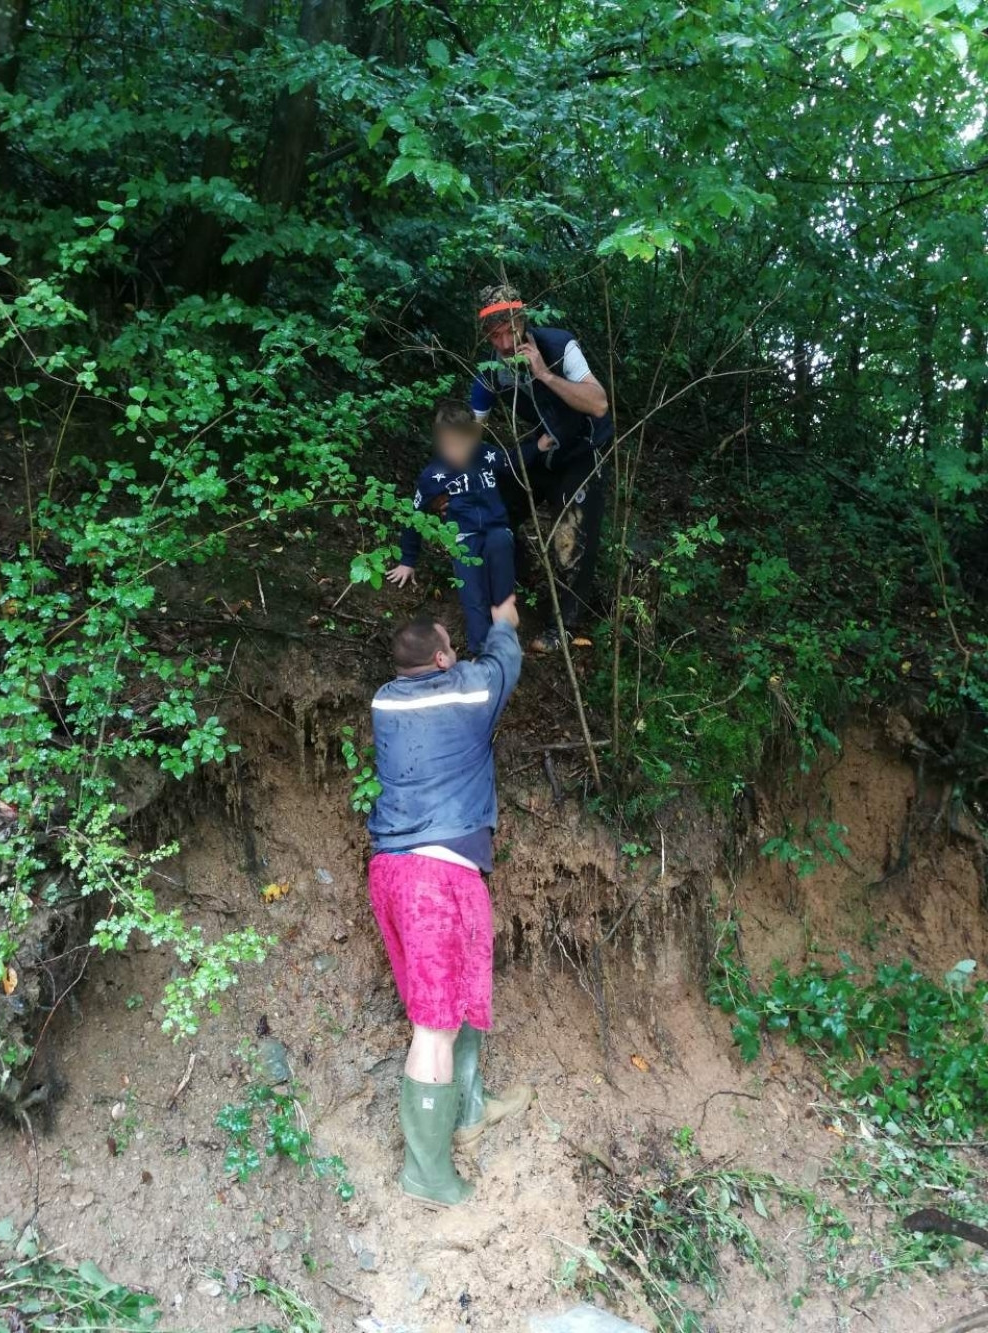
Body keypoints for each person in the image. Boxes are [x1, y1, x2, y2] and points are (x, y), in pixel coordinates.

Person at [366, 600, 532, 1207]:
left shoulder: (386, 700)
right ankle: (427, 1175)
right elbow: (503, 661)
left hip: (397, 872)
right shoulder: (463, 691)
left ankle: (468, 1108)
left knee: (454, 999)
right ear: (440, 659)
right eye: (450, 649)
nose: (457, 655)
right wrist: (505, 618)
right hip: (435, 880)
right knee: (433, 1027)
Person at [471, 283, 613, 653]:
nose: (503, 344)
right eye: (494, 334)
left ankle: (563, 627)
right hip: (540, 449)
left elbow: (598, 404)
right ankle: (507, 583)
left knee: (571, 536)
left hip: (581, 449)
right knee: (493, 501)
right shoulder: (491, 369)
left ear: (522, 321)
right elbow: (472, 430)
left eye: (509, 331)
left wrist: (545, 374)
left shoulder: (558, 345)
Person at [387, 400, 551, 654]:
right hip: (463, 540)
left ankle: (505, 622)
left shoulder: (484, 455)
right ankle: (482, 652)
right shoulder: (434, 475)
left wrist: (537, 447)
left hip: (496, 531)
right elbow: (415, 516)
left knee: (501, 545)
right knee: (473, 596)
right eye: (450, 445)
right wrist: (408, 560)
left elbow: (509, 461)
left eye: (463, 444)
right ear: (440, 444)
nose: (457, 451)